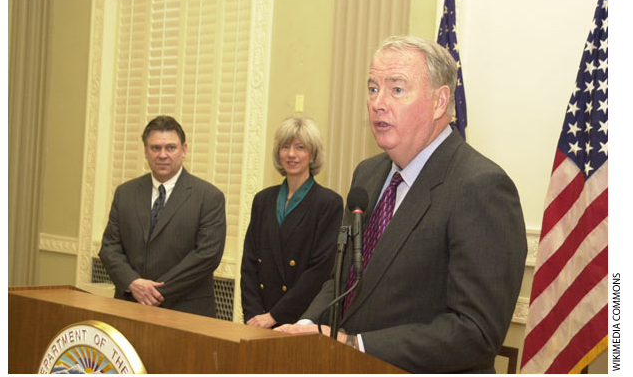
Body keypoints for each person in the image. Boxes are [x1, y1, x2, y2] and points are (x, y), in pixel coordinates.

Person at [275, 36, 527, 373]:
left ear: (439, 102)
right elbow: (343, 281)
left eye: (396, 89)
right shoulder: (367, 174)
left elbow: (476, 332)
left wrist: (356, 345)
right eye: (372, 88)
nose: (378, 103)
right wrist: (305, 327)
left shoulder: (481, 186)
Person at [99, 115, 226, 317]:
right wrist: (133, 283)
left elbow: (207, 256)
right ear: (145, 151)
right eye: (155, 148)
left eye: (170, 147)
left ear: (184, 150)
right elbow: (109, 247)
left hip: (186, 312)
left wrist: (153, 292)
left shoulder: (209, 196)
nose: (162, 155)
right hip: (130, 306)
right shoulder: (125, 193)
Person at [240, 116, 343, 329]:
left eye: (300, 147)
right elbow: (249, 262)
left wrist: (274, 316)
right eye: (285, 146)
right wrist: (253, 314)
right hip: (258, 320)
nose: (291, 154)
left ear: (313, 155)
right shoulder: (263, 200)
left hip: (299, 320)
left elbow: (320, 271)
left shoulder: (328, 203)